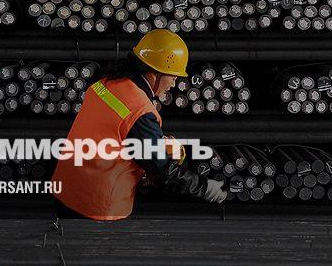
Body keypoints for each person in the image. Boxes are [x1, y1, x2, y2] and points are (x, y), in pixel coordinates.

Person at [51, 29, 227, 220]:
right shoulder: (139, 112)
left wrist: (156, 142)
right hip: (95, 205)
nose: (173, 85)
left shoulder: (106, 84)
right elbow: (164, 172)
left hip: (66, 189)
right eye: (173, 77)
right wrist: (204, 188)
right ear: (156, 72)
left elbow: (113, 131)